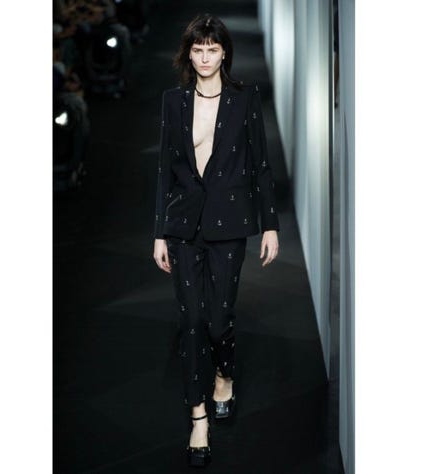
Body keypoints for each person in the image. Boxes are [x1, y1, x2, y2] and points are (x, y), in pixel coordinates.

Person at [152, 13, 279, 467]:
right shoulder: (173, 101)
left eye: (212, 49)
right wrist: (159, 232)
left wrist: (270, 225)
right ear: (188, 54)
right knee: (190, 321)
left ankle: (225, 373)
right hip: (183, 226)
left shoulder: (245, 99)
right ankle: (199, 418)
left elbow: (260, 165)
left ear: (224, 52)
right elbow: (165, 169)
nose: (205, 57)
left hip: (229, 225)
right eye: (198, 49)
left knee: (219, 320)